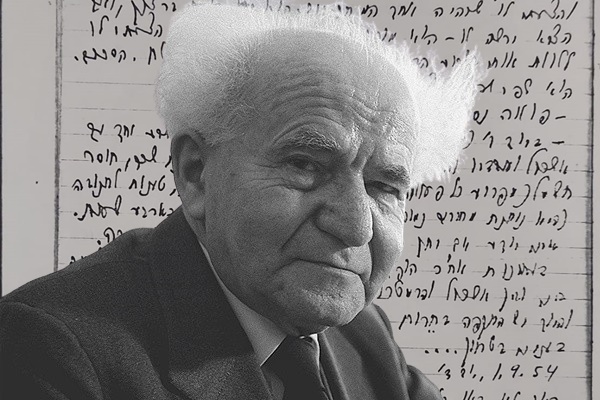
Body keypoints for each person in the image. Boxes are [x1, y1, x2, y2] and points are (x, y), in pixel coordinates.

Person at [0, 2, 480, 399]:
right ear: (196, 174)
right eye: (305, 165)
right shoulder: (48, 349)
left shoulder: (363, 337)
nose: (356, 226)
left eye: (384, 188)